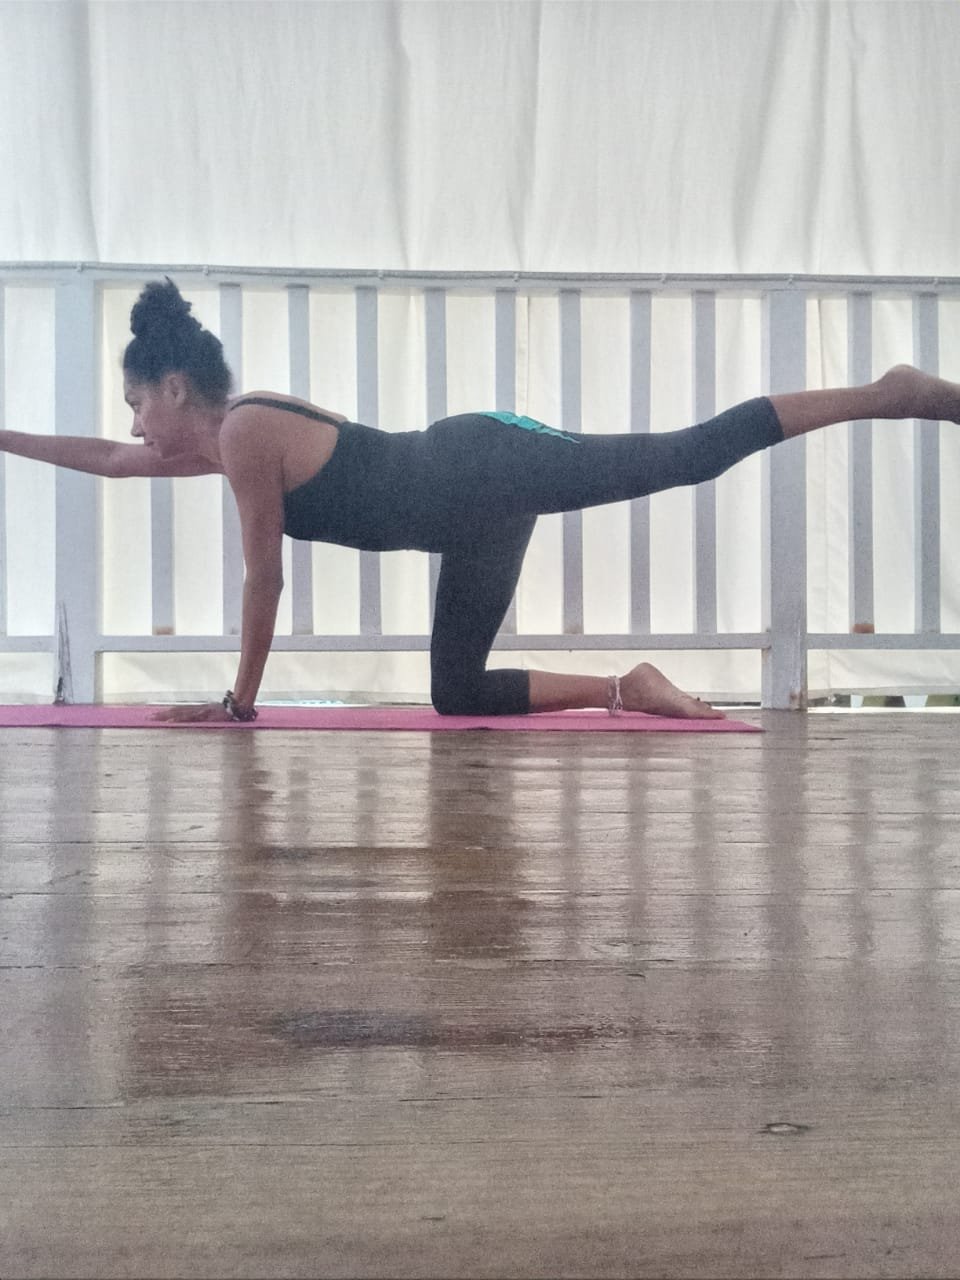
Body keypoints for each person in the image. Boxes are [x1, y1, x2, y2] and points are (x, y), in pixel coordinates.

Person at [1, 278, 958, 723]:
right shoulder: (223, 447)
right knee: (456, 694)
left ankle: (889, 392)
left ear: (173, 387)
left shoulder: (246, 433)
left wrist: (239, 704)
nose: (132, 428)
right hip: (472, 521)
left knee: (688, 456)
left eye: (135, 404)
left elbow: (264, 580)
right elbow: (110, 463)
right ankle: (629, 688)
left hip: (484, 463)